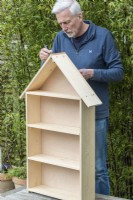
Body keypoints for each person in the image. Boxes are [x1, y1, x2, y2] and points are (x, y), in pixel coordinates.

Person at [39, 0, 124, 195]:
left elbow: (118, 72)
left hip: (95, 113)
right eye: (60, 24)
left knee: (97, 168)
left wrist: (92, 73)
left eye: (67, 22)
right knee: (67, 164)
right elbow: (52, 72)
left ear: (80, 16)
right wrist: (44, 59)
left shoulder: (103, 36)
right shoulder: (60, 38)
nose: (64, 28)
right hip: (66, 114)